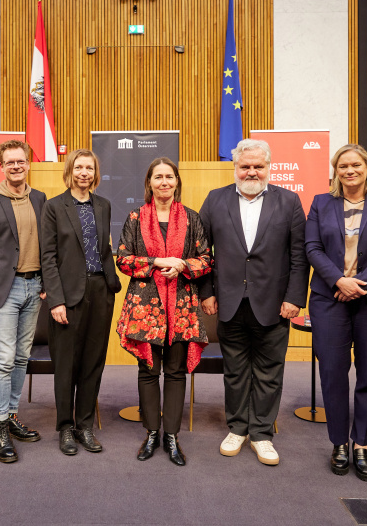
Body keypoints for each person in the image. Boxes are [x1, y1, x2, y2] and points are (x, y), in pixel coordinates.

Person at [199, 138, 308, 466]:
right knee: (234, 371)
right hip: (229, 302)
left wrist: (294, 298)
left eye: (258, 166)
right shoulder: (215, 199)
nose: (251, 172)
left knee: (269, 371)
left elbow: (299, 255)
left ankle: (261, 433)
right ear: (235, 167)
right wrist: (206, 292)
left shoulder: (289, 201)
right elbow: (202, 252)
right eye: (245, 166)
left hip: (274, 304)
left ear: (268, 167)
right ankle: (237, 428)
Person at [305, 144, 367, 481]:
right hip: (329, 297)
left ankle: (361, 443)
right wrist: (339, 280)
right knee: (332, 373)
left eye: (356, 165)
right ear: (336, 171)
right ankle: (339, 443)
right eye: (342, 166)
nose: (349, 171)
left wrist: (357, 283)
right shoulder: (321, 203)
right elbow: (312, 248)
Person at [115, 157, 212, 466]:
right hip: (145, 307)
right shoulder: (135, 217)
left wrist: (181, 265)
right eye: (158, 177)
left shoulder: (192, 218)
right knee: (148, 370)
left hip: (182, 306)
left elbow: (206, 259)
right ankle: (151, 432)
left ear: (176, 181)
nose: (164, 182)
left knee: (175, 371)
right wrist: (157, 262)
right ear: (149, 183)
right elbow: (123, 259)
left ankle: (171, 435)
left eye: (169, 176)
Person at [41, 149, 122, 456]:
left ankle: (84, 426)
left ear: (95, 173)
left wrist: (111, 283)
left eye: (89, 168)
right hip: (67, 295)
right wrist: (56, 301)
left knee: (92, 362)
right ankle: (65, 427)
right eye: (79, 167)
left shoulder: (103, 205)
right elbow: (48, 257)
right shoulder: (53, 206)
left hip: (100, 291)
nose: (84, 172)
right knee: (66, 365)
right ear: (70, 171)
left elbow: (104, 248)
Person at [0, 140, 46, 463]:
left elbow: (48, 245)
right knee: (3, 359)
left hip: (34, 286)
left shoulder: (40, 198)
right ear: (1, 166)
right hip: (4, 290)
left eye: (21, 161)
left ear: (28, 164)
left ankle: (12, 415)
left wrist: (47, 283)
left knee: (21, 357)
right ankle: (0, 425)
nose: (16, 166)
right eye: (10, 162)